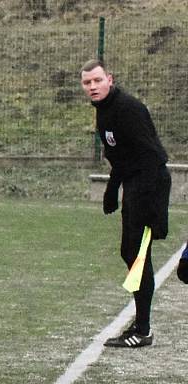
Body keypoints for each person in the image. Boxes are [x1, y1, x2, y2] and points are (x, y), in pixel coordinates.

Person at [80, 59, 171, 348]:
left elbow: (151, 155)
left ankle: (142, 330)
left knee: (137, 254)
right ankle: (141, 326)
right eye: (87, 83)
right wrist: (112, 188)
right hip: (134, 185)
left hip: (149, 184)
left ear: (110, 79)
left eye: (97, 80)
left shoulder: (128, 109)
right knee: (130, 253)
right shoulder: (104, 113)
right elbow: (120, 156)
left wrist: (153, 205)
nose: (92, 86)